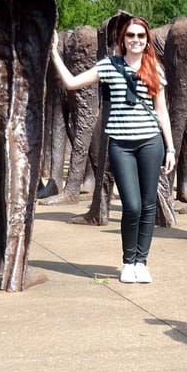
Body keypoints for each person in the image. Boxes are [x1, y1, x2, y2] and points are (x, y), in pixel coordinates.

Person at [51, 17, 176, 284]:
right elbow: (72, 83)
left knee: (148, 205)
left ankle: (142, 262)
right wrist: (53, 53)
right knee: (131, 205)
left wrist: (171, 148)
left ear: (147, 40)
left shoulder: (154, 68)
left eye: (141, 36)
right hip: (121, 145)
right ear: (123, 39)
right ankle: (128, 261)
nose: (136, 40)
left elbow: (161, 111)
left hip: (150, 143)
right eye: (131, 35)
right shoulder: (110, 66)